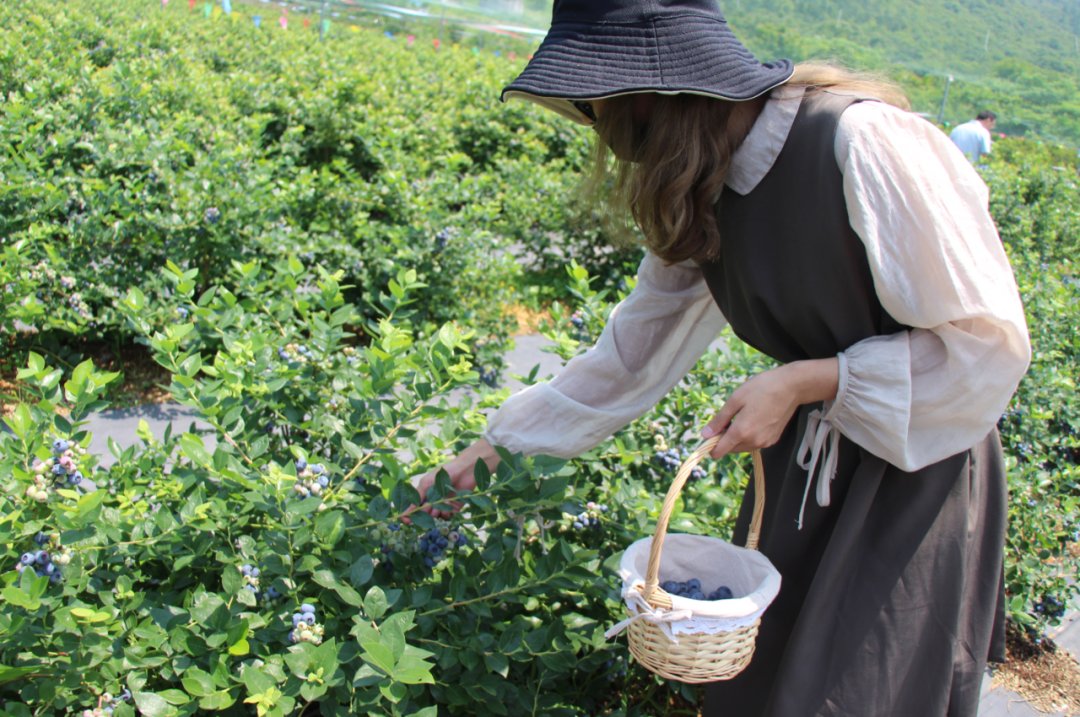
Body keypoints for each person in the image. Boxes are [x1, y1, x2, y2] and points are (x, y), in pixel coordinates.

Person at [415, 1, 1031, 715]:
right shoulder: (705, 184)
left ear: (648, 98)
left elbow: (986, 346)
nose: (598, 129)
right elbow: (629, 356)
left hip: (912, 467)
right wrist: (480, 456)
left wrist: (809, 379)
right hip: (799, 472)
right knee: (765, 685)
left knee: (861, 690)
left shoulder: (861, 141)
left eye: (596, 105)